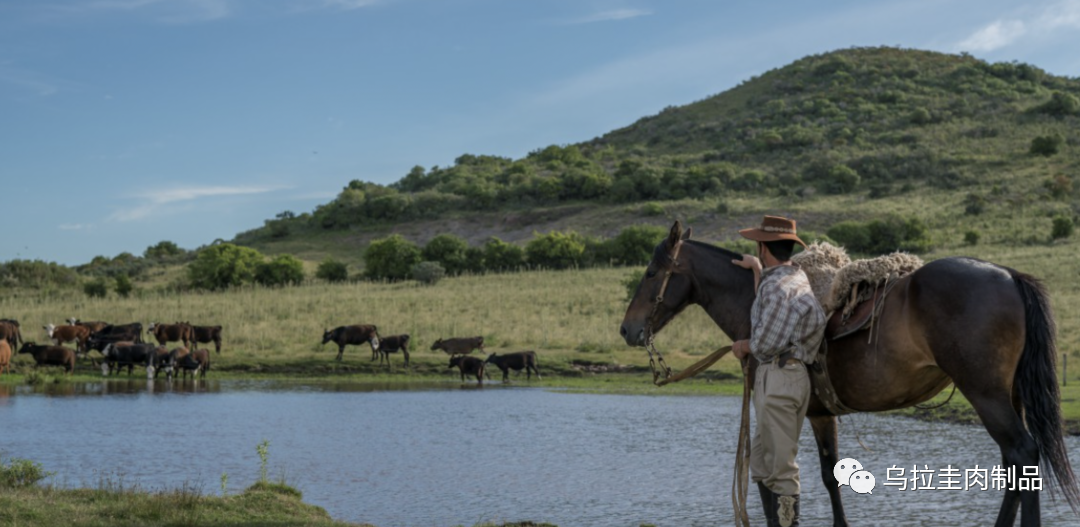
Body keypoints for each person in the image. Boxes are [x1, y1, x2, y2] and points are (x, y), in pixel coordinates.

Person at [730, 215, 825, 527]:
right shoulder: (795, 277)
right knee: (761, 461)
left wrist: (745, 346)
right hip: (787, 378)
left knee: (781, 469)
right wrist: (757, 271)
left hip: (779, 379)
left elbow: (765, 343)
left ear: (762, 247)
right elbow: (773, 309)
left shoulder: (776, 290)